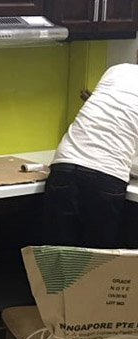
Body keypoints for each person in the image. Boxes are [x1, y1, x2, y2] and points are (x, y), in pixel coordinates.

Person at [42, 60, 138, 249]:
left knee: (58, 255)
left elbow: (114, 113)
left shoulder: (117, 70)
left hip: (65, 165)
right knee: (96, 259)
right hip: (107, 175)